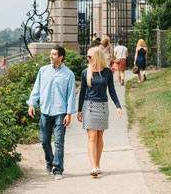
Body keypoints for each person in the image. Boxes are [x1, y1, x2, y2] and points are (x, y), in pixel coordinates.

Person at [27, 46, 76, 181]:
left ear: (61, 57)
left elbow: (71, 95)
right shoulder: (43, 71)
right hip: (45, 110)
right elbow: (36, 88)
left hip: (60, 112)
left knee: (59, 142)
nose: (51, 56)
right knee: (44, 141)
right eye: (50, 54)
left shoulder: (69, 74)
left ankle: (58, 169)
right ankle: (49, 162)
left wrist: (69, 114)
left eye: (54, 54)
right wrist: (32, 103)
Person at [77, 47, 122, 177]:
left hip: (103, 106)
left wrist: (118, 106)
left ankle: (97, 164)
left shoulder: (107, 72)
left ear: (97, 57)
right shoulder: (86, 72)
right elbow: (82, 93)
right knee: (92, 136)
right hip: (89, 106)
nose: (88, 59)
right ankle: (93, 167)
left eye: (90, 57)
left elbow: (112, 91)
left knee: (99, 137)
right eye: (87, 57)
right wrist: (79, 110)